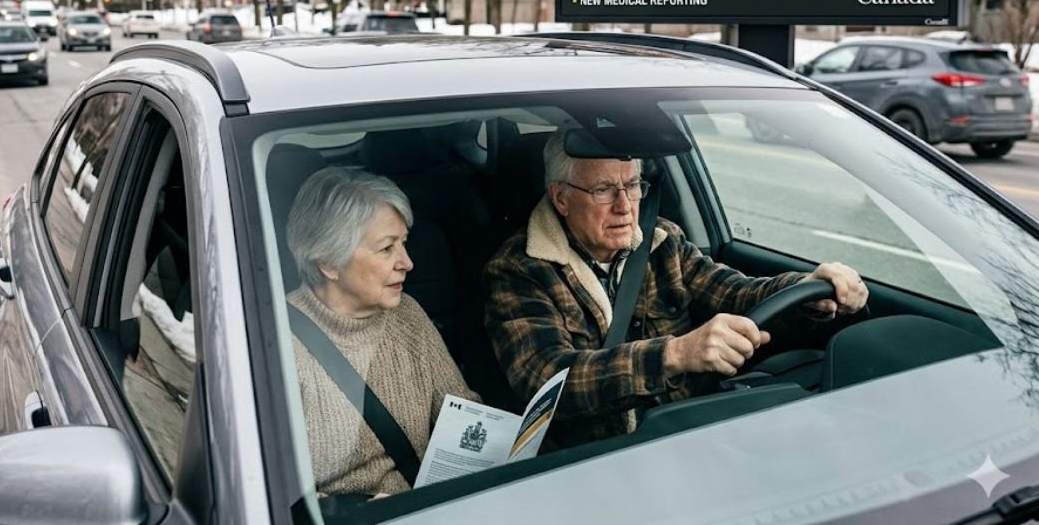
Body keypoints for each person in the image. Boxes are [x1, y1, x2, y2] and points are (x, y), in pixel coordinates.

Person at [483, 128, 867, 449]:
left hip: (689, 432)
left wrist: (805, 288)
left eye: (632, 186)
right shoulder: (518, 269)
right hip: (597, 457)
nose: (624, 206)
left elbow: (733, 291)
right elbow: (546, 380)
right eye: (603, 190)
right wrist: (675, 354)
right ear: (561, 198)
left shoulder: (662, 241)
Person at [285, 166, 479, 498]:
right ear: (328, 263)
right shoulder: (276, 343)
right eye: (387, 248)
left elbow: (460, 409)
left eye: (404, 243)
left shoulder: (408, 314)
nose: (407, 262)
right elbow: (279, 492)